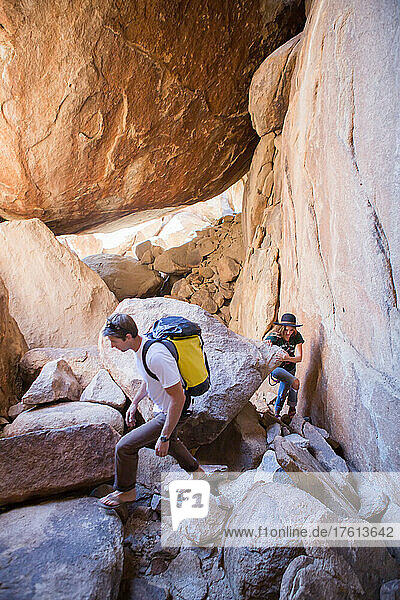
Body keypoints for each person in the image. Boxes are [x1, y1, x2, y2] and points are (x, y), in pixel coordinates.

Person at [99, 313, 204, 509]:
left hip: (174, 410)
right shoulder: (141, 348)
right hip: (164, 407)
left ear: (128, 337)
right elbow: (149, 379)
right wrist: (135, 403)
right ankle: (197, 473)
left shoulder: (156, 356)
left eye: (114, 341)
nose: (112, 346)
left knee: (125, 447)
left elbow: (178, 398)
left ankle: (127, 491)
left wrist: (163, 436)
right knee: (171, 442)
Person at [263, 313, 304, 418]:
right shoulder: (275, 335)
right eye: (286, 330)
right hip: (277, 368)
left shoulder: (296, 336)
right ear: (281, 328)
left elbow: (299, 358)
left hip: (290, 368)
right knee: (295, 382)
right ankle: (292, 410)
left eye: (291, 330)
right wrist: (266, 343)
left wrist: (287, 358)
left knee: (283, 391)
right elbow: (263, 346)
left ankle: (277, 413)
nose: (289, 333)